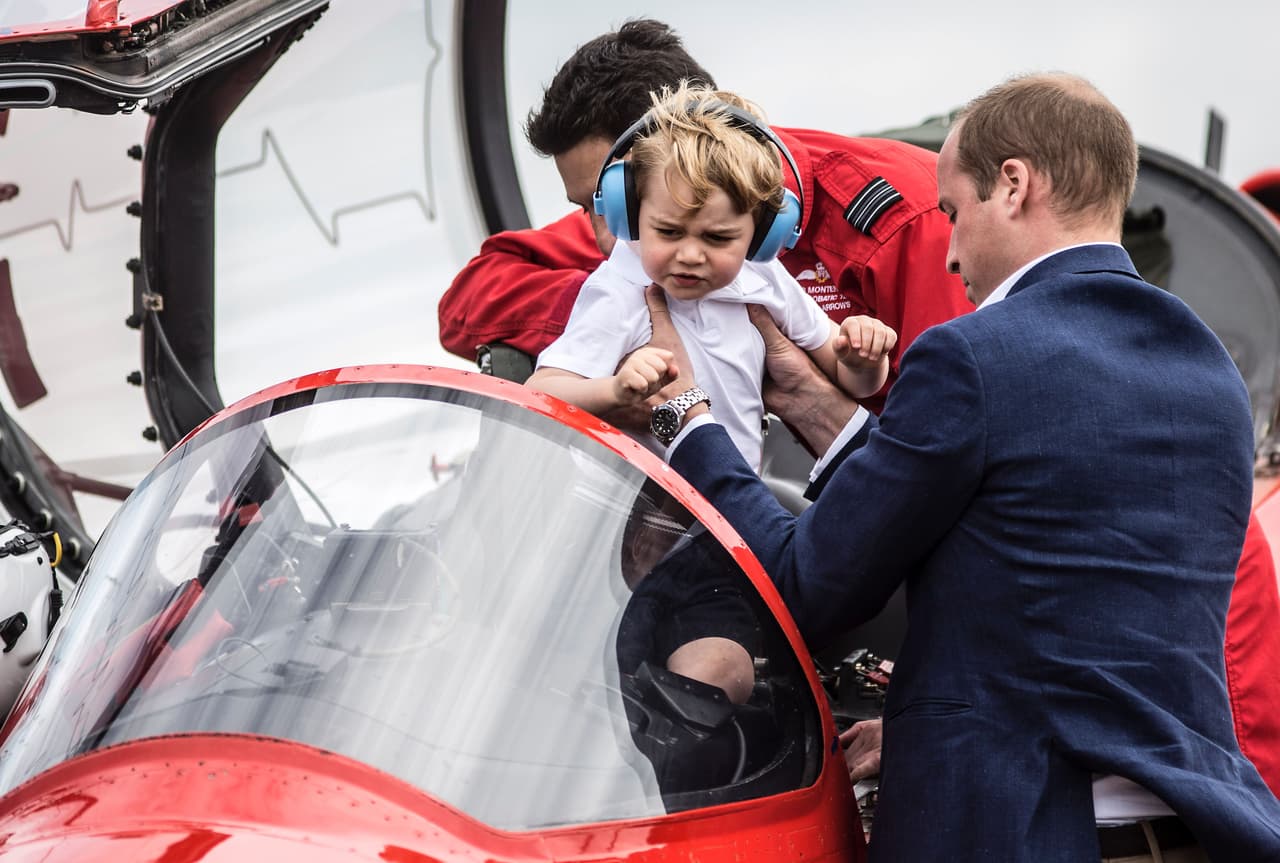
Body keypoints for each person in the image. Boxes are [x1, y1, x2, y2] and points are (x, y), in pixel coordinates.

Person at [649, 72, 1280, 861]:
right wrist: (922, 726)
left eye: (953, 210)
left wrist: (687, 422)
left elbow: (810, 582)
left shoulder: (972, 356)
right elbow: (1057, 592)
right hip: (1194, 831)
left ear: (1013, 185)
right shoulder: (1211, 374)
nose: (948, 253)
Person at [438, 18, 968, 429]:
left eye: (717, 238)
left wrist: (824, 401)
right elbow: (468, 300)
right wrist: (623, 318)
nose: (604, 237)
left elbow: (949, 433)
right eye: (590, 206)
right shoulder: (642, 236)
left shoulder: (910, 219)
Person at [527, 84, 897, 472]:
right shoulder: (620, 291)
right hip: (643, 512)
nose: (689, 255)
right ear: (631, 214)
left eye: (718, 238)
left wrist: (863, 359)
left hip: (733, 504)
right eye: (668, 232)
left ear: (766, 234)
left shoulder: (764, 276)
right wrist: (614, 391)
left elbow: (854, 381)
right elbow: (541, 393)